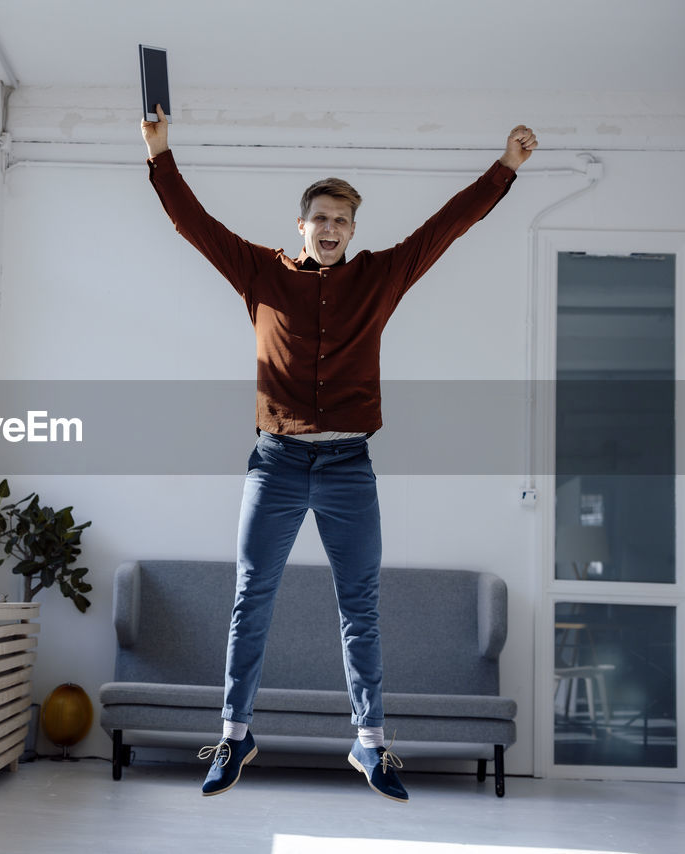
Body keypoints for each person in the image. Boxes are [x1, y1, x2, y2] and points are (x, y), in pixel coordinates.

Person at [140, 104, 537, 802]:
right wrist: (159, 151)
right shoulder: (261, 275)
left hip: (349, 465)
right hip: (277, 462)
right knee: (251, 596)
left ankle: (371, 744)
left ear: (354, 231)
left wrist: (503, 168)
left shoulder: (379, 278)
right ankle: (235, 736)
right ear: (302, 225)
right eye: (320, 218)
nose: (330, 229)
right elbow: (191, 224)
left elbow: (447, 227)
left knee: (360, 606)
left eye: (342, 221)